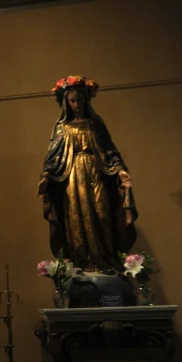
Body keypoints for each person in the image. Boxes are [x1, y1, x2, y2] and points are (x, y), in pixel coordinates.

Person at [37, 76, 138, 273]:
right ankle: (81, 263)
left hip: (96, 172)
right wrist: (46, 177)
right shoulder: (62, 128)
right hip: (72, 177)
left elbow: (109, 150)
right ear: (66, 102)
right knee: (76, 217)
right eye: (72, 101)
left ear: (86, 100)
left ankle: (106, 261)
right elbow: (54, 157)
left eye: (79, 100)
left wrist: (121, 171)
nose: (76, 105)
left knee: (102, 214)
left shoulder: (95, 124)